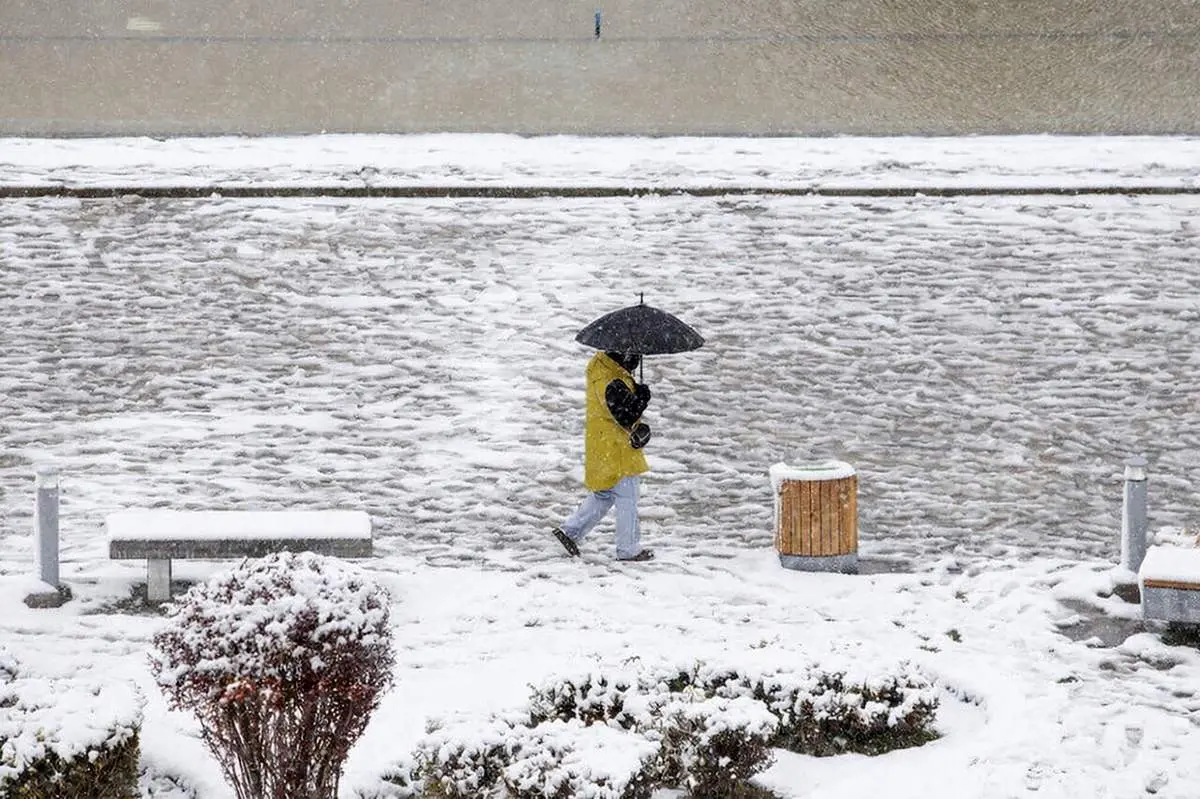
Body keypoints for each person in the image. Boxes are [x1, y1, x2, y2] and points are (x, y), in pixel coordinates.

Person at [551, 350, 655, 561]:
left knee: (604, 495)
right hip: (617, 451)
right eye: (632, 357)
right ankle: (628, 549)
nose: (633, 363)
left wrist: (635, 390)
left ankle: (570, 532)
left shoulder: (603, 369)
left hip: (603, 446)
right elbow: (625, 416)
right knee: (628, 498)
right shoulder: (611, 380)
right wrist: (642, 397)